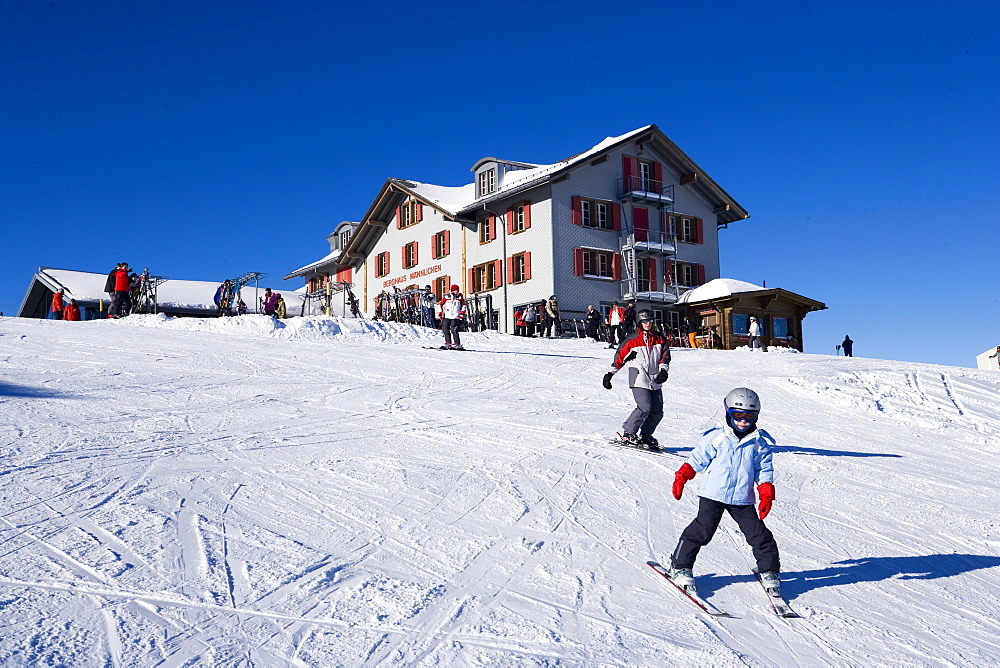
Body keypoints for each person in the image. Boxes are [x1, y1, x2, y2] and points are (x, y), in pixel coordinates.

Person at [668, 387, 781, 597]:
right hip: (713, 493)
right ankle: (680, 566)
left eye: (749, 416)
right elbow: (698, 458)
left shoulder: (759, 443)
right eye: (738, 415)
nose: (743, 421)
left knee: (759, 535)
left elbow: (764, 470)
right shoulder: (717, 436)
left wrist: (766, 493)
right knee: (702, 531)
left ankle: (769, 571)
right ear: (727, 411)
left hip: (741, 497)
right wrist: (683, 475)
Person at [601, 309, 671, 449]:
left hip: (655, 379)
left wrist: (663, 371)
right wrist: (610, 374)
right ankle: (628, 433)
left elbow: (665, 357)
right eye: (644, 321)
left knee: (657, 411)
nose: (648, 324)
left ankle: (645, 435)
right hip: (638, 378)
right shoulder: (632, 339)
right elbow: (620, 357)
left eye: (650, 321)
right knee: (644, 407)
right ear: (640, 323)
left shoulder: (660, 338)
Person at [436, 284, 467, 350]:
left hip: (456, 316)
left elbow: (464, 306)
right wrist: (440, 312)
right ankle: (448, 342)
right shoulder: (447, 297)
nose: (457, 291)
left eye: (458, 290)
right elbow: (440, 304)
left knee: (454, 329)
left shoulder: (460, 298)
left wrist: (461, 314)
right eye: (456, 290)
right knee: (445, 328)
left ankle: (457, 344)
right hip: (447, 315)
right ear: (453, 290)